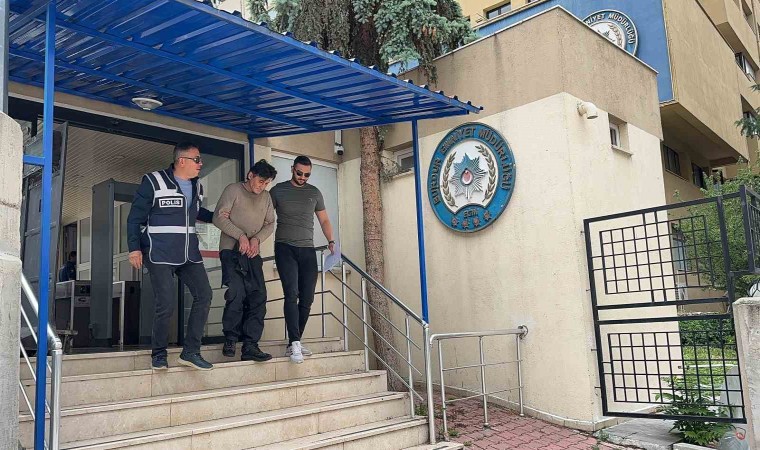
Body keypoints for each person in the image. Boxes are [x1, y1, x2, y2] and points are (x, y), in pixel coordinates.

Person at [127, 142, 215, 371]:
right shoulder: (153, 181)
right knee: (165, 303)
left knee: (204, 295)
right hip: (159, 252)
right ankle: (159, 354)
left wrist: (220, 217)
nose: (201, 164)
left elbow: (196, 212)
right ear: (182, 161)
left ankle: (191, 352)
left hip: (189, 254)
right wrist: (134, 248)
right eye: (197, 159)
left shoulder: (198, 186)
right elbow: (135, 217)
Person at [270, 155, 335, 364]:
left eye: (307, 175)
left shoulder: (314, 192)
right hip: (285, 247)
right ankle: (296, 342)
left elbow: (324, 220)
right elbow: (264, 215)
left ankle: (293, 342)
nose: (303, 177)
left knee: (307, 298)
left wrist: (331, 240)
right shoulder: (278, 190)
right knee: (291, 293)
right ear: (292, 169)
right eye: (299, 173)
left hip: (307, 249)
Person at [213, 160, 277, 362]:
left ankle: (250, 345)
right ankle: (231, 339)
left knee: (258, 296)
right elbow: (219, 217)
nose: (262, 186)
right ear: (250, 175)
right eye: (260, 181)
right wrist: (240, 235)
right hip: (231, 251)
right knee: (236, 292)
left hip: (252, 254)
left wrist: (256, 239)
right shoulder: (233, 190)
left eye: (266, 183)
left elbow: (270, 223)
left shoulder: (266, 197)